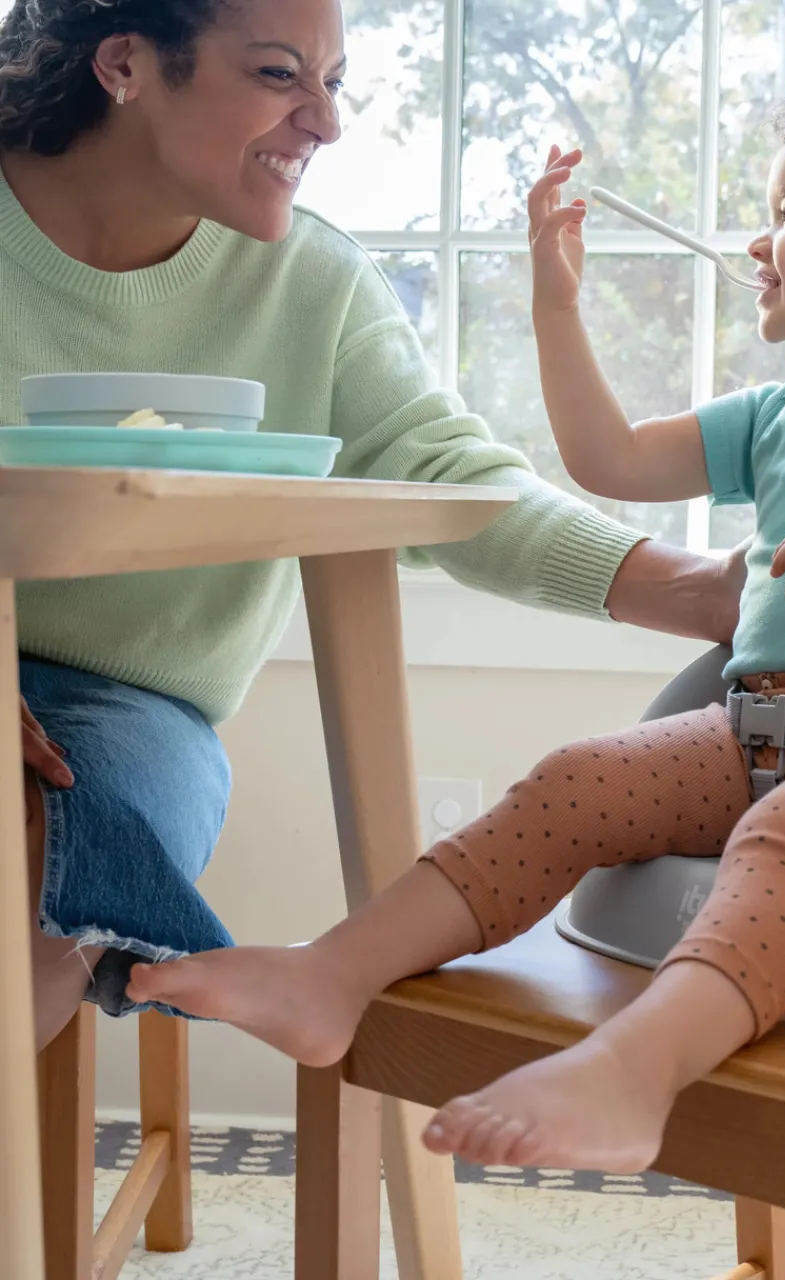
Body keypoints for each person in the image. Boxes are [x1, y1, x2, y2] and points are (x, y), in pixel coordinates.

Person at [130, 85, 785, 1175]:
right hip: (755, 729)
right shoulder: (778, 416)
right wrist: (554, 302)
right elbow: (610, 462)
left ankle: (634, 1071)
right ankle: (331, 974)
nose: (755, 236)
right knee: (571, 778)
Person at [0, 0, 744, 1054]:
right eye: (276, 74)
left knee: (22, 836)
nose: (325, 123)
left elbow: (448, 477)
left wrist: (700, 588)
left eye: (333, 82)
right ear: (126, 64)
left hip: (122, 713)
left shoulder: (312, 284)